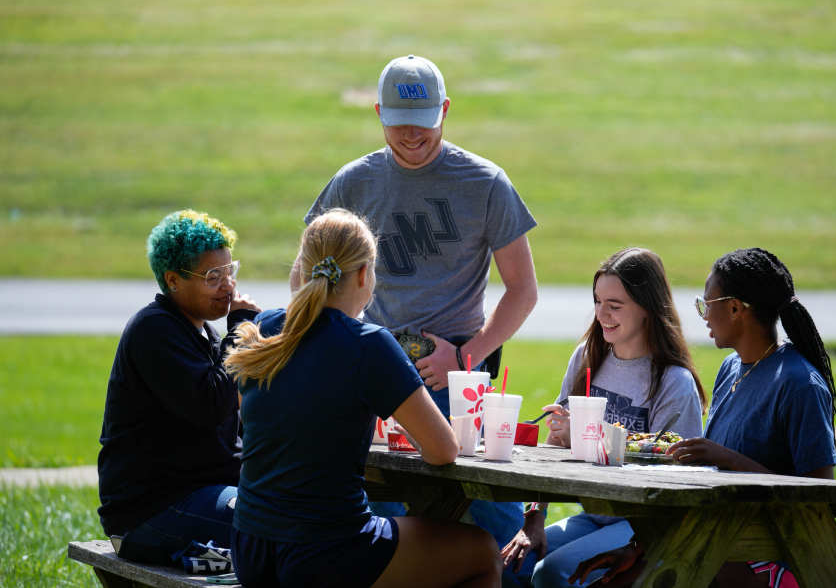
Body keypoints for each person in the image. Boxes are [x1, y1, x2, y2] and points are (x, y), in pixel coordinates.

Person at [290, 54, 539, 565]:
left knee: (495, 515)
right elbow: (304, 273)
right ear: (378, 112)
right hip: (371, 374)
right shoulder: (352, 182)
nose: (411, 135)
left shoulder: (486, 182)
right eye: (398, 123)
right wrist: (333, 341)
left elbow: (522, 290)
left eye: (423, 122)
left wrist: (466, 358)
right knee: (381, 511)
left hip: (457, 376)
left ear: (445, 110)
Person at [224, 209, 501, 588]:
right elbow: (443, 451)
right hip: (325, 549)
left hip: (250, 548)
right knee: (483, 551)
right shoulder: (368, 344)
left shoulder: (266, 327)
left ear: (302, 270)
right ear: (363, 275)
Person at [567, 248, 836, 588]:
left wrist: (727, 458)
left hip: (764, 556)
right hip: (710, 539)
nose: (703, 315)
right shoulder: (731, 369)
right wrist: (639, 547)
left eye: (706, 304)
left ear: (735, 308)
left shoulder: (799, 383)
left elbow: (820, 498)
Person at [501, 248, 708, 588]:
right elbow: (554, 444)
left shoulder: (674, 381)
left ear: (647, 307)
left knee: (552, 573)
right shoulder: (587, 356)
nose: (602, 314)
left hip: (642, 525)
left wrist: (585, 436)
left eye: (615, 305)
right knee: (508, 565)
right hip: (593, 515)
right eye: (597, 301)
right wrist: (533, 519)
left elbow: (672, 481)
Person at [97, 210, 261, 565]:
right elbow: (212, 405)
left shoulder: (204, 333)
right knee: (279, 524)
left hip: (205, 492)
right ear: (173, 280)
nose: (228, 285)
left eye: (230, 271)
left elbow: (240, 419)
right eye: (212, 276)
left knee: (310, 506)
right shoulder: (154, 330)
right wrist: (241, 333)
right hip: (153, 511)